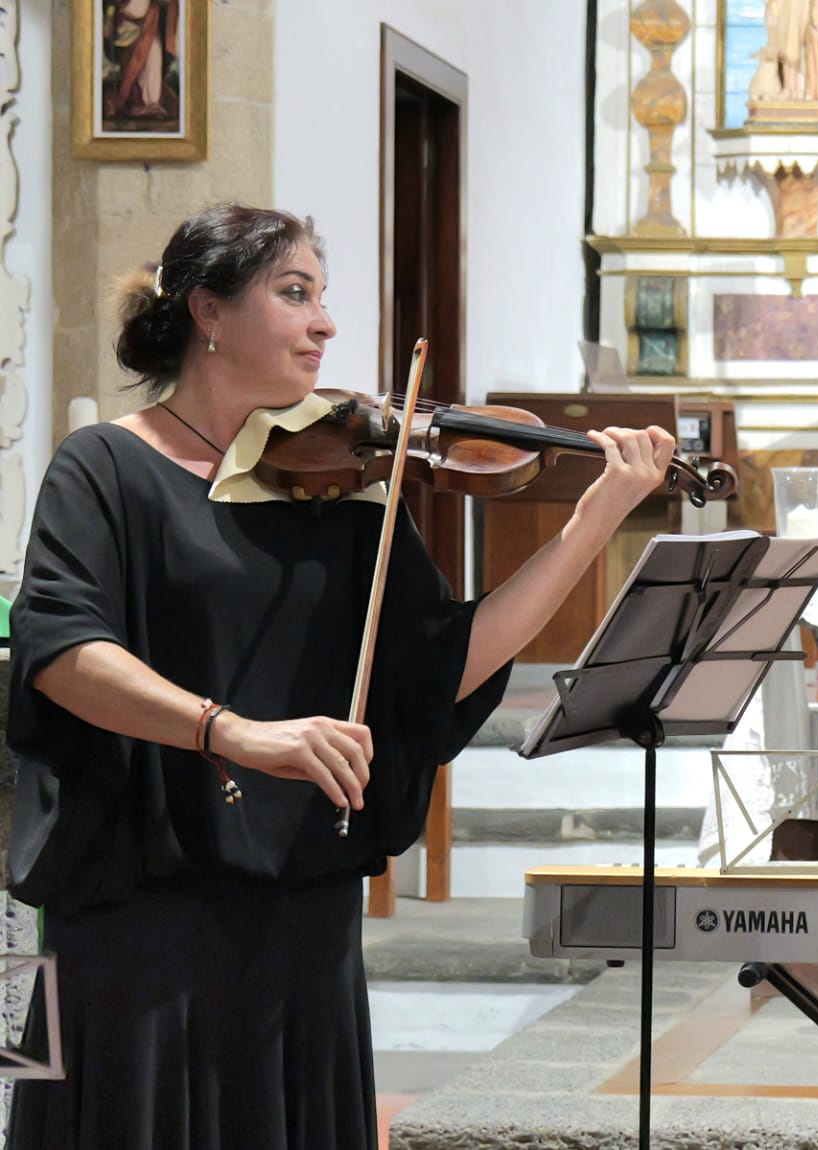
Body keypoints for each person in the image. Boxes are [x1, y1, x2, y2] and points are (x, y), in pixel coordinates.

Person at [5, 203, 678, 1150]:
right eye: (294, 294)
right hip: (137, 920)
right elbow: (64, 653)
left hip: (302, 915)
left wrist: (594, 521)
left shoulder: (344, 486)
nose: (324, 323)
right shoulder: (105, 467)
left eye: (324, 297)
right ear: (208, 310)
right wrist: (232, 731)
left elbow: (444, 664)